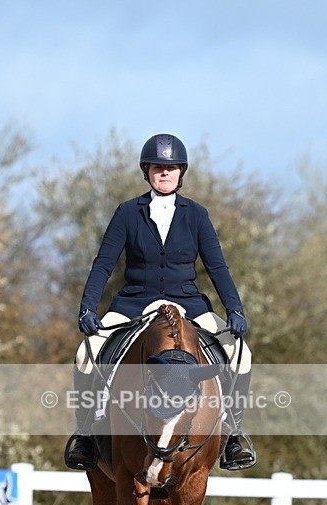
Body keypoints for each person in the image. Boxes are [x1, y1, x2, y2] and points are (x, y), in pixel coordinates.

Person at [65, 133, 255, 471]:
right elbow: (104, 262)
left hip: (188, 304)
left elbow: (216, 266)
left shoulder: (196, 215)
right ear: (146, 172)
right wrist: (88, 307)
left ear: (181, 172)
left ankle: (233, 433)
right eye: (157, 168)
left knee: (243, 355)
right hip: (135, 304)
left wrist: (235, 309)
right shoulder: (127, 213)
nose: (163, 174)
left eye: (170, 168)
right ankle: (84, 435)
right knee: (84, 353)